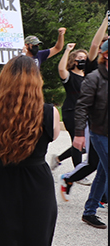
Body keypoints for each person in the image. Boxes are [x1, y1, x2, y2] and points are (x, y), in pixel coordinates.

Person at [0, 56, 60, 245]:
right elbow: (53, 137)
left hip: (2, 178)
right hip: (37, 181)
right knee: (37, 236)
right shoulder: (49, 112)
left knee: (0, 236)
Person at [73, 38, 109, 229]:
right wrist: (79, 133)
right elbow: (81, 108)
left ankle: (89, 212)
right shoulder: (94, 78)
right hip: (100, 133)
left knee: (103, 173)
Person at [50, 44, 89, 173]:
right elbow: (61, 68)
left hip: (86, 113)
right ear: (74, 60)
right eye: (80, 57)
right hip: (72, 111)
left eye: (85, 58)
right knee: (77, 143)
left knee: (86, 145)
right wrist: (67, 50)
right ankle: (78, 173)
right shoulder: (69, 76)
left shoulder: (88, 76)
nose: (82, 60)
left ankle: (58, 159)